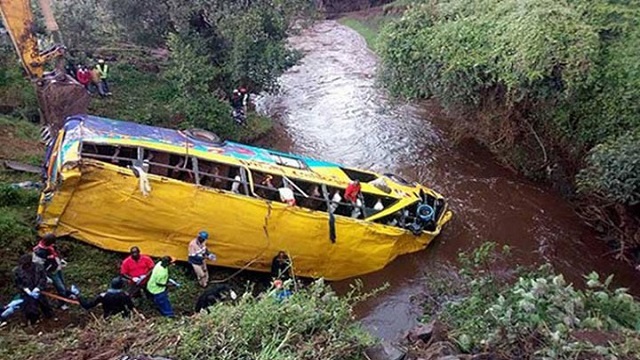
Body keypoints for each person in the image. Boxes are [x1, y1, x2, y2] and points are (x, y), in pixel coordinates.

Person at [32, 233, 73, 307]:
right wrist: (45, 276)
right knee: (60, 287)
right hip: (51, 272)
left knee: (63, 283)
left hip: (57, 268)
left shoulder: (50, 247)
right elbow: (38, 266)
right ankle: (62, 303)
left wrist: (60, 260)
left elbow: (55, 254)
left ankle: (66, 295)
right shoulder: (39, 252)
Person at [14, 254, 54, 324]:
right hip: (27, 292)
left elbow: (43, 278)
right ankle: (33, 320)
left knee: (44, 304)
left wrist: (38, 288)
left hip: (38, 290)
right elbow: (18, 283)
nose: (25, 266)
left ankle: (49, 316)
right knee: (29, 307)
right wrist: (25, 289)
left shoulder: (39, 267)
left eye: (26, 264)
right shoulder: (18, 271)